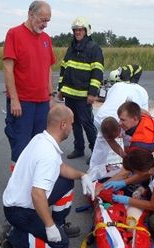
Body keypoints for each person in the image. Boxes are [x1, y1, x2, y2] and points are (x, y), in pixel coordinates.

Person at [0, 105, 96, 248]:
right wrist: (49, 226)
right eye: (71, 123)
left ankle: (59, 225)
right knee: (61, 245)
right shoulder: (47, 154)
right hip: (20, 211)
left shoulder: (41, 138)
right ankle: (12, 237)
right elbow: (37, 194)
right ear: (63, 124)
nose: (72, 126)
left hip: (19, 202)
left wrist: (83, 175)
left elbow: (61, 168)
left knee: (66, 181)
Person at [3, 1, 55, 171]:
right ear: (30, 14)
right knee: (20, 143)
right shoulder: (14, 34)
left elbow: (48, 68)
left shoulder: (46, 39)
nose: (45, 25)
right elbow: (8, 68)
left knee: (39, 143)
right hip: (23, 102)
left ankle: (33, 180)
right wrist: (14, 99)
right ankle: (16, 186)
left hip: (42, 102)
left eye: (47, 21)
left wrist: (50, 95)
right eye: (42, 20)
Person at [103, 101, 154, 189]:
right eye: (119, 119)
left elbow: (125, 173)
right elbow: (142, 111)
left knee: (140, 179)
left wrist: (102, 186)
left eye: (123, 120)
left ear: (135, 119)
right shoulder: (143, 116)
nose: (119, 123)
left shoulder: (140, 143)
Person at [58, 16, 103, 160]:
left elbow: (97, 72)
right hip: (70, 94)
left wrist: (92, 93)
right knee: (74, 123)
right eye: (75, 30)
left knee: (87, 124)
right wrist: (61, 88)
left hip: (84, 96)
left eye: (80, 30)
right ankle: (79, 149)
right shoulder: (71, 48)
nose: (77, 32)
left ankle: (95, 153)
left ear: (86, 31)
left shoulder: (94, 48)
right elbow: (64, 68)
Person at [89, 70, 149, 169]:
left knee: (135, 135)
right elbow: (110, 141)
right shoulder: (98, 119)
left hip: (138, 93)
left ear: (119, 125)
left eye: (118, 135)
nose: (118, 138)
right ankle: (94, 170)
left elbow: (144, 114)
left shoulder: (126, 116)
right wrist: (125, 157)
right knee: (101, 142)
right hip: (117, 88)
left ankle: (138, 165)